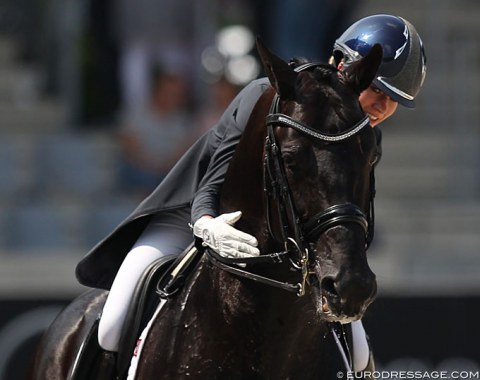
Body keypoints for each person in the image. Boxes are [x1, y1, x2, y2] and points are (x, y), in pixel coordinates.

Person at [75, 14, 427, 374]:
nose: (383, 107)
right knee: (113, 320)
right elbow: (212, 179)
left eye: (394, 100)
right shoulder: (264, 95)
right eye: (378, 91)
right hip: (192, 214)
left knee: (359, 356)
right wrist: (207, 223)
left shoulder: (363, 136)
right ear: (343, 67)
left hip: (282, 243)